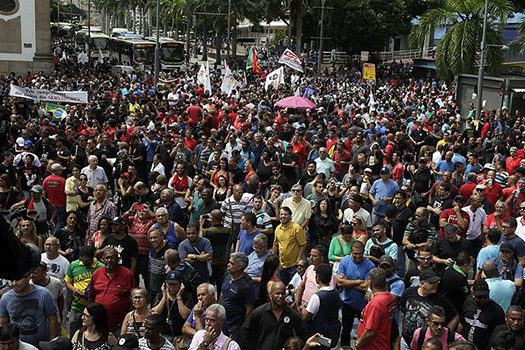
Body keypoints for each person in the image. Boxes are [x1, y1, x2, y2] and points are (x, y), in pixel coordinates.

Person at [235, 281, 308, 350]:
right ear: (271, 294)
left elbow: (304, 334)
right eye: (277, 293)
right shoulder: (259, 313)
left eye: (282, 294)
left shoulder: (292, 315)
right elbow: (244, 333)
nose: (280, 296)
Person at [399, 269, 459, 350]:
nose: (435, 285)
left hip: (427, 343)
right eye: (431, 283)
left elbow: (455, 317)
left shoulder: (440, 299)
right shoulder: (408, 293)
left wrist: (446, 332)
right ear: (422, 283)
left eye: (436, 282)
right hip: (406, 340)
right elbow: (403, 308)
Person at [336, 240, 375, 349]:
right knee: (346, 329)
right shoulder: (344, 262)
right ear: (351, 252)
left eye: (360, 253)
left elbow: (365, 286)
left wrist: (347, 282)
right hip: (347, 302)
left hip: (363, 304)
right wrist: (358, 281)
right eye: (355, 253)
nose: (358, 256)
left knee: (364, 330)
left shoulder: (369, 265)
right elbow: (339, 282)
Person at [0, 274, 58, 346]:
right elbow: (3, 324)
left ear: (28, 277)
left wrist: (52, 344)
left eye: (18, 279)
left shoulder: (44, 294)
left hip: (40, 345)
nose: (14, 283)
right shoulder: (5, 298)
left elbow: (53, 319)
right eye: (12, 280)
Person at [88, 247, 135, 332]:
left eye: (112, 258)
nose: (109, 260)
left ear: (118, 259)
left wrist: (131, 319)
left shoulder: (128, 274)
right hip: (99, 322)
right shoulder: (96, 274)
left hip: (120, 323)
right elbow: (91, 297)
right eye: (107, 258)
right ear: (103, 260)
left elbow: (132, 299)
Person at [301, 263, 341, 349]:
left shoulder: (317, 297)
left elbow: (305, 317)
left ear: (317, 277)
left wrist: (304, 307)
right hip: (330, 336)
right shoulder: (336, 293)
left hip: (317, 336)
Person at [356, 268, 397, 350]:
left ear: (370, 282)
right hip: (383, 342)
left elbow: (370, 331)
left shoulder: (376, 304)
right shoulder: (390, 297)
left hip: (373, 346)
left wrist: (359, 343)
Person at [459, 279, 505, 350]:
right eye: (479, 297)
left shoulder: (497, 310)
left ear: (489, 292)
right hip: (465, 345)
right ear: (473, 292)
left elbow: (499, 333)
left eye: (485, 296)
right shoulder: (468, 303)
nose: (482, 299)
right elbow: (461, 323)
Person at [220, 252, 257, 337]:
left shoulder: (247, 285)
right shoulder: (227, 275)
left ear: (240, 267)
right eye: (229, 262)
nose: (228, 265)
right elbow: (222, 293)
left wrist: (244, 328)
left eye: (231, 263)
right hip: (222, 320)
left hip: (235, 325)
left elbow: (249, 309)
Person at [151, 271, 191, 343]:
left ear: (180, 285)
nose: (172, 287)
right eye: (170, 284)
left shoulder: (186, 296)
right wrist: (164, 298)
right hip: (163, 334)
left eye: (175, 284)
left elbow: (185, 315)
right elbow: (155, 313)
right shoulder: (160, 295)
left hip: (180, 336)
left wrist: (179, 297)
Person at [273, 206, 307, 285]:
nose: (283, 216)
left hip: (294, 265)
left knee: (294, 287)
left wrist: (299, 258)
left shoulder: (297, 228)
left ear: (290, 216)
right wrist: (273, 259)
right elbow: (275, 244)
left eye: (285, 214)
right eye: (281, 214)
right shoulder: (278, 229)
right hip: (282, 265)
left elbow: (303, 244)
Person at [295, 245, 335, 311]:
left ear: (322, 258)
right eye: (310, 255)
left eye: (314, 256)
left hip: (318, 309)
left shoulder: (328, 274)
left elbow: (329, 295)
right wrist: (297, 303)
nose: (311, 258)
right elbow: (301, 286)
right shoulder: (310, 268)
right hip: (304, 306)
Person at [147, 228, 169, 298]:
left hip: (164, 290)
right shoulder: (152, 249)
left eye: (155, 237)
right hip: (153, 288)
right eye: (151, 238)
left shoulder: (169, 250)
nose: (152, 240)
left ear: (162, 236)